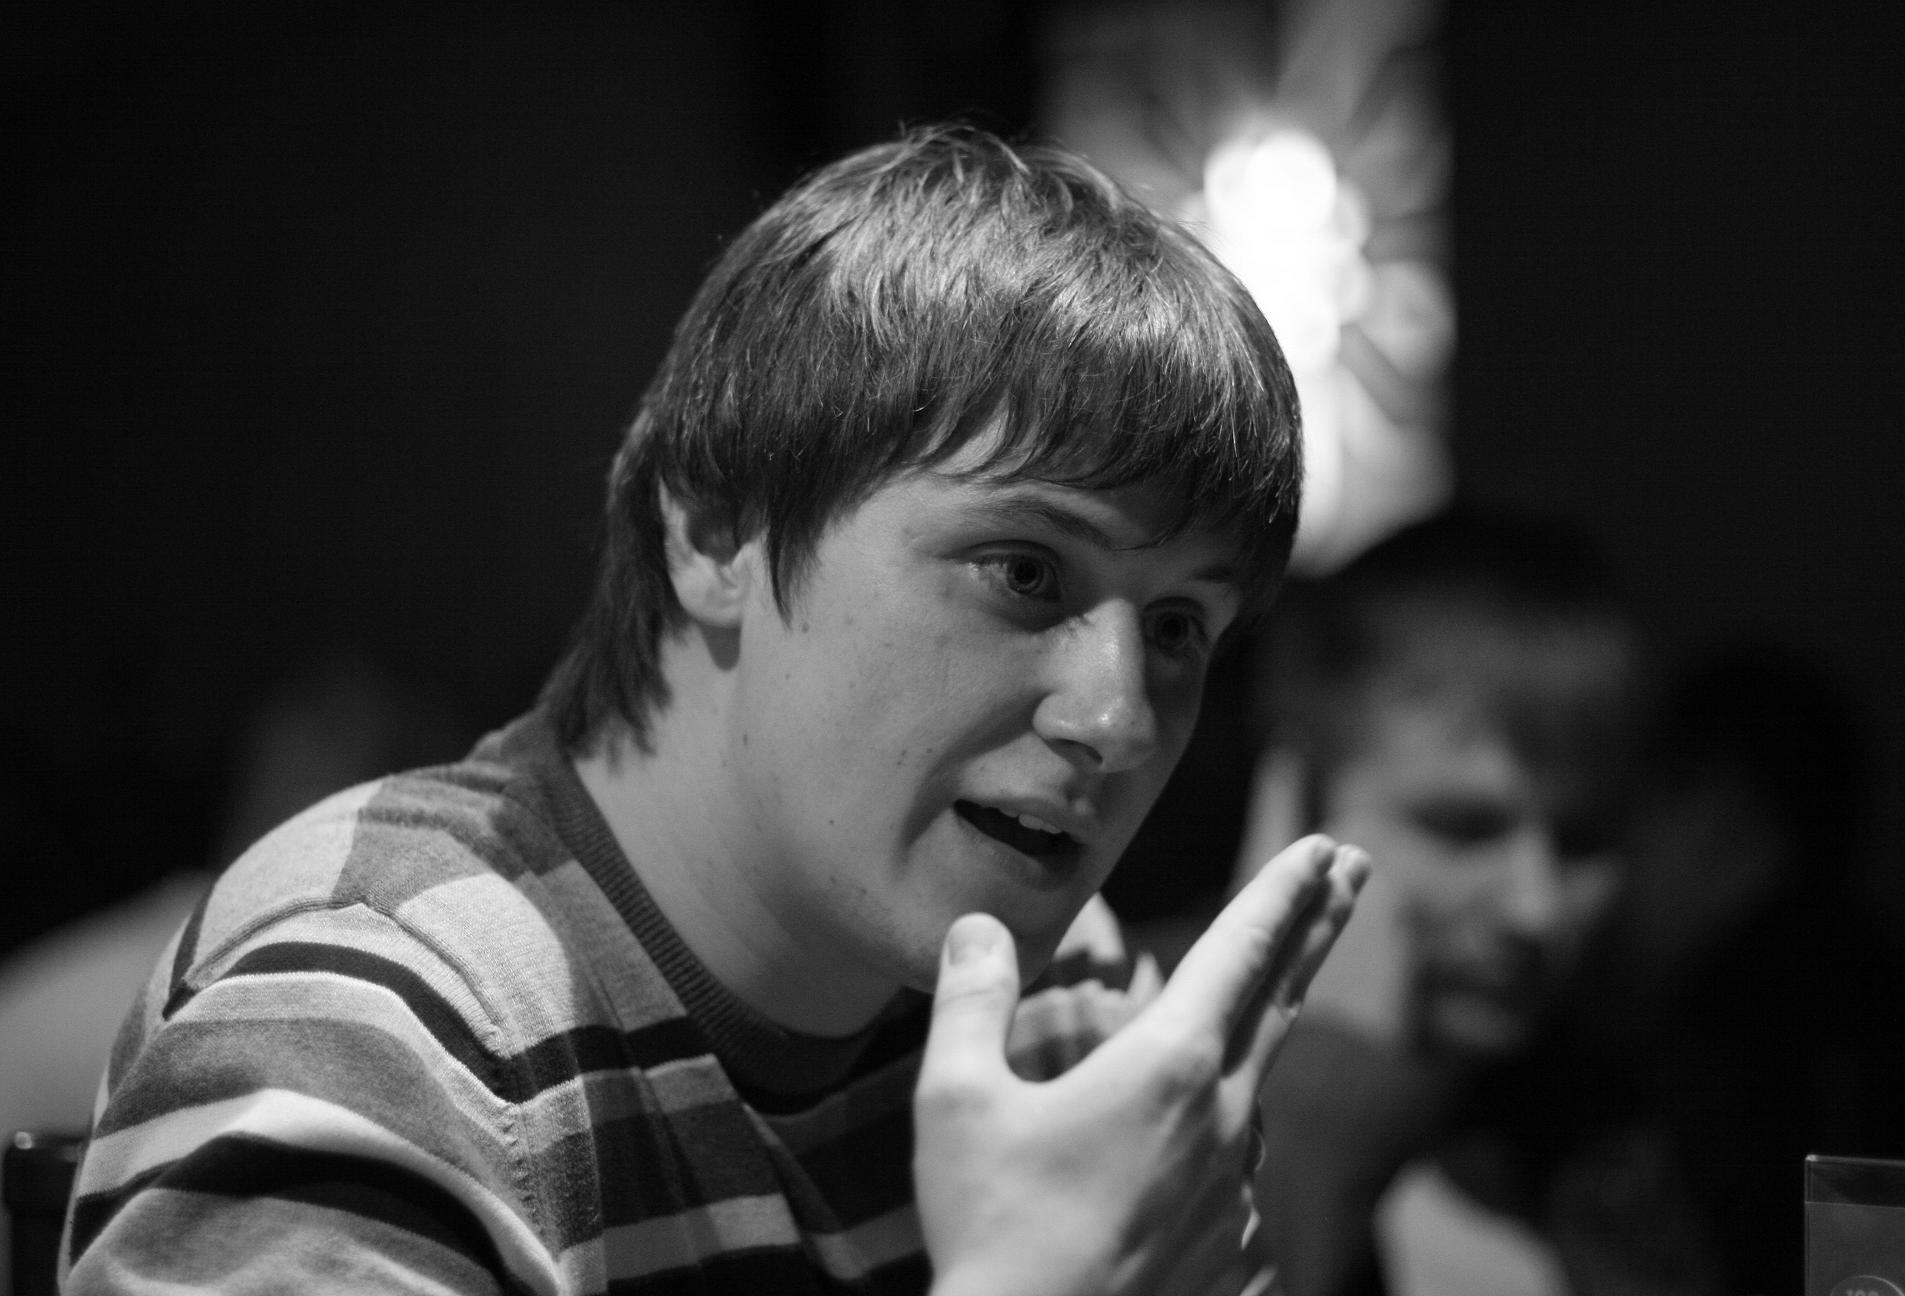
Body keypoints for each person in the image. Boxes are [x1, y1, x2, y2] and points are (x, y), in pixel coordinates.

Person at [58, 125, 1369, 1296]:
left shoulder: (1053, 1004)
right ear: (716, 532)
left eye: (1178, 627)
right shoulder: (380, 1025)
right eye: (1025, 572)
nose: (1119, 718)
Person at [1234, 509, 1655, 1296]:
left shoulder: (1616, 1167)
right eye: (1461, 829)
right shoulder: (1096, 1044)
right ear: (1293, 802)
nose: (1535, 910)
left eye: (1583, 842)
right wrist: (1316, 1094)